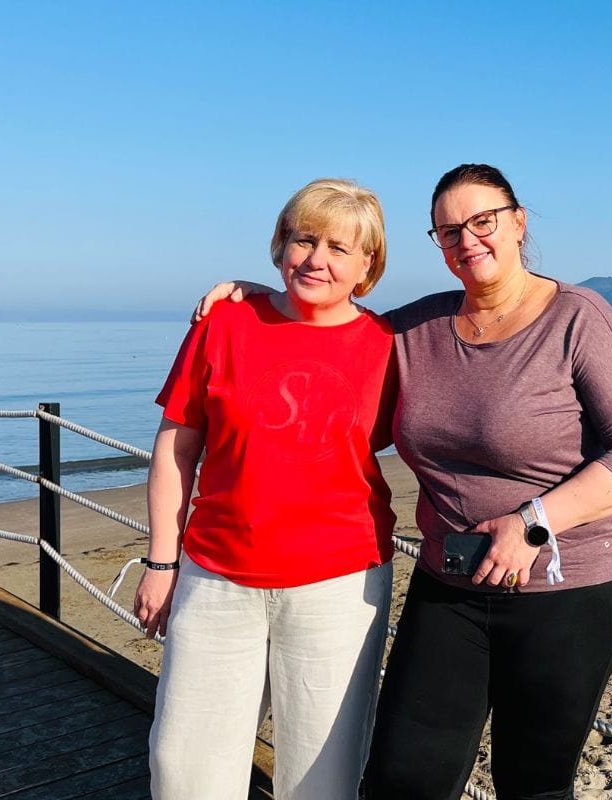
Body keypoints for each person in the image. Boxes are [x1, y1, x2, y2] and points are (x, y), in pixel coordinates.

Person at [197, 163, 612, 799]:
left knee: (532, 783)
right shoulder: (417, 328)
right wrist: (265, 299)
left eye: (483, 221)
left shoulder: (578, 316)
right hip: (449, 586)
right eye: (448, 231)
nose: (467, 239)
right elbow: (333, 324)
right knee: (402, 779)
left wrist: (532, 524)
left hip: (565, 588)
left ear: (518, 222)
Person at [136, 178, 398, 800]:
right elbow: (177, 448)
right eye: (304, 239)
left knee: (320, 779)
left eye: (339, 247)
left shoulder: (390, 346)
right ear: (280, 244)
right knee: (184, 769)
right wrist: (161, 559)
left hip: (339, 584)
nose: (317, 259)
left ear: (368, 265)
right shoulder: (223, 322)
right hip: (216, 575)